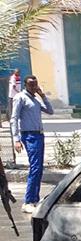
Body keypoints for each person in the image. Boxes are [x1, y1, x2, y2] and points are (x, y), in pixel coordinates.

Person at [9, 76, 53, 213]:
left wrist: (42, 96)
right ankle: (28, 201)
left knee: (38, 168)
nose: (34, 87)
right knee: (34, 167)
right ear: (25, 85)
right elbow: (14, 118)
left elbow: (50, 111)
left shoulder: (35, 99)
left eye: (35, 84)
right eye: (31, 85)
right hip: (29, 136)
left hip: (39, 134)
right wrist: (16, 139)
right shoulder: (20, 98)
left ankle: (35, 199)